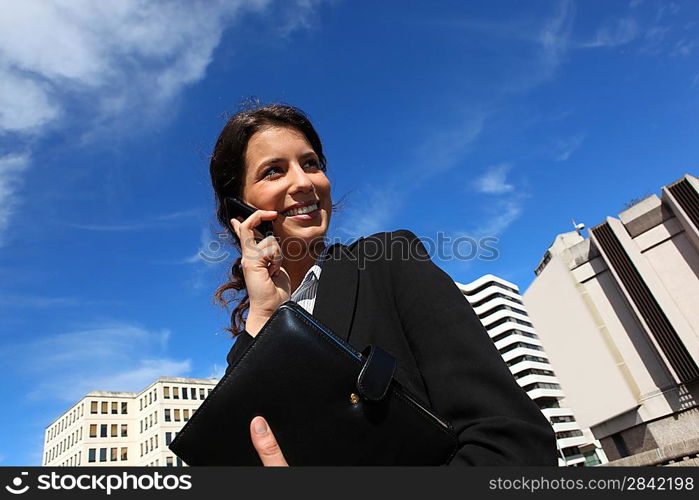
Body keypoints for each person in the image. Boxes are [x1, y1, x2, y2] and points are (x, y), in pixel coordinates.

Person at [209, 103, 557, 466]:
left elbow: (515, 445)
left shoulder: (388, 260)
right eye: (274, 171)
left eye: (310, 163)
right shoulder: (252, 338)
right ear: (241, 210)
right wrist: (263, 316)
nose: (304, 181)